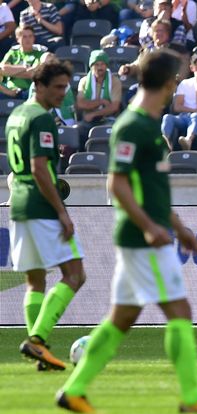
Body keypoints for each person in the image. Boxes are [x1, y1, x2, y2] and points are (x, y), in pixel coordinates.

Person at [56, 49, 197, 414]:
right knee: (179, 310)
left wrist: (179, 227)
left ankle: (73, 391)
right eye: (176, 79)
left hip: (146, 235)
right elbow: (117, 185)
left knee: (122, 317)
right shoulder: (133, 126)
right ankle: (191, 397)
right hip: (142, 240)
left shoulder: (148, 125)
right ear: (169, 83)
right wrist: (152, 227)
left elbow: (149, 190)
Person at [8, 59, 86, 372]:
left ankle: (38, 350)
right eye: (56, 87)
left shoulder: (16, 114)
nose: (62, 93)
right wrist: (61, 212)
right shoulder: (41, 118)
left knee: (35, 280)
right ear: (38, 85)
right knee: (75, 274)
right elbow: (41, 168)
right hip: (41, 206)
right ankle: (38, 340)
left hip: (19, 204)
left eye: (65, 87)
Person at [161, 52, 197, 150]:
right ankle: (165, 143)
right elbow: (177, 106)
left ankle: (188, 140)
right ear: (192, 68)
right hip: (183, 117)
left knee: (196, 116)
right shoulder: (184, 84)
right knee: (168, 117)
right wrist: (195, 110)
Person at [76, 50, 123, 137]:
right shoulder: (84, 81)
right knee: (77, 130)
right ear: (91, 66)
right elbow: (81, 104)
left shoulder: (115, 81)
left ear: (106, 66)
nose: (99, 68)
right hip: (88, 120)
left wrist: (94, 114)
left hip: (108, 119)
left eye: (102, 64)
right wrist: (100, 102)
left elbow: (114, 106)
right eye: (96, 65)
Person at [0, 26, 48, 100]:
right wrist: (25, 67)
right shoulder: (13, 53)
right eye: (24, 37)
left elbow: (33, 73)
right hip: (10, 91)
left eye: (30, 36)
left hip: (30, 91)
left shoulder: (40, 54)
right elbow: (3, 69)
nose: (28, 39)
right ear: (18, 39)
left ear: (34, 38)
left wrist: (11, 72)